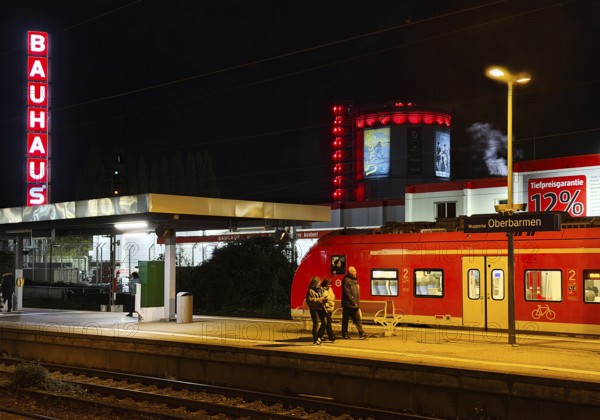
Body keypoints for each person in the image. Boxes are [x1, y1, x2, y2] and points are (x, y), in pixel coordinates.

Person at [341, 266, 370, 339]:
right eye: (353, 272)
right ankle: (345, 334)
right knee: (346, 320)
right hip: (348, 304)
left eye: (355, 271)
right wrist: (353, 301)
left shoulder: (354, 280)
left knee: (357, 319)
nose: (355, 273)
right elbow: (347, 292)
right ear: (349, 273)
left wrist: (356, 302)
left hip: (355, 304)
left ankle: (362, 333)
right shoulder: (346, 280)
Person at [305, 276, 328, 345]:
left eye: (319, 283)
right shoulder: (310, 291)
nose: (319, 284)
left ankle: (319, 336)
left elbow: (322, 297)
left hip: (321, 308)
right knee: (316, 324)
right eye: (318, 283)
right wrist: (320, 299)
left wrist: (324, 299)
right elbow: (309, 300)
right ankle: (315, 340)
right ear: (314, 283)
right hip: (314, 309)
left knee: (325, 322)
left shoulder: (320, 289)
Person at [321, 278, 336, 342]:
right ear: (325, 284)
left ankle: (319, 336)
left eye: (330, 284)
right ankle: (331, 336)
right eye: (328, 284)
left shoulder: (330, 289)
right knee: (328, 322)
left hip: (330, 309)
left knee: (325, 323)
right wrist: (327, 305)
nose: (329, 286)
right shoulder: (321, 290)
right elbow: (322, 300)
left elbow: (332, 298)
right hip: (325, 309)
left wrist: (332, 304)